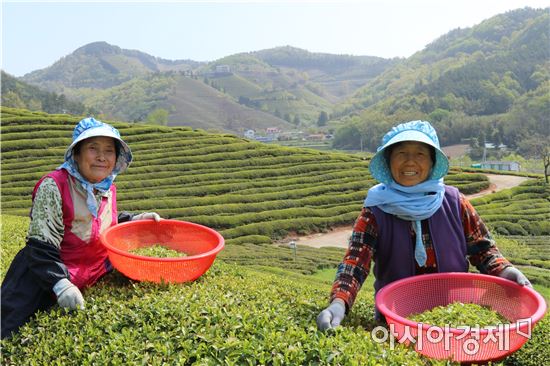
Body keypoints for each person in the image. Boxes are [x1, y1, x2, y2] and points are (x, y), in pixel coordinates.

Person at [317, 120, 531, 331]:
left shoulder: (455, 202)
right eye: (401, 153)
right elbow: (355, 263)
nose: (410, 162)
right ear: (389, 161)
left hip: (456, 320)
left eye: (420, 154)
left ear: (432, 163)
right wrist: (339, 302)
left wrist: (505, 270)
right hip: (396, 322)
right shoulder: (376, 210)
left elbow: (484, 251)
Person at [1, 117, 162, 339]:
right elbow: (40, 246)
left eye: (109, 150)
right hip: (44, 278)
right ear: (76, 154)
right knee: (10, 334)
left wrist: (135, 220)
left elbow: (98, 224)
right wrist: (60, 284)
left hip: (93, 272)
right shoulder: (54, 185)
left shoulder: (107, 187)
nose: (102, 157)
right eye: (92, 148)